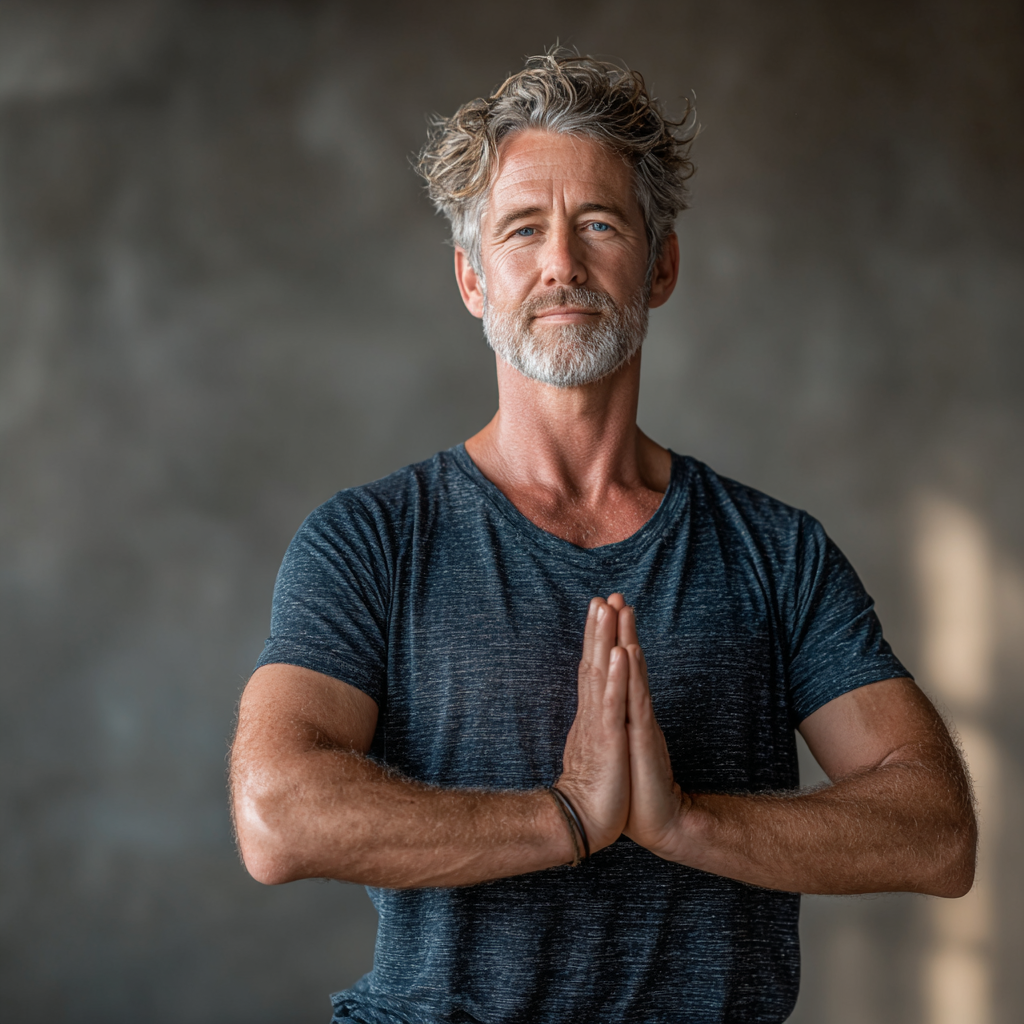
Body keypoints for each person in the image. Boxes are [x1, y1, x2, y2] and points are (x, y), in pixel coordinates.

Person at [230, 51, 976, 1024]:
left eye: (598, 223)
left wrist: (685, 821)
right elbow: (275, 813)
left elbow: (934, 831)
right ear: (470, 277)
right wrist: (570, 815)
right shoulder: (372, 539)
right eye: (522, 229)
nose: (560, 264)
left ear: (659, 265)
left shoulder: (773, 551)